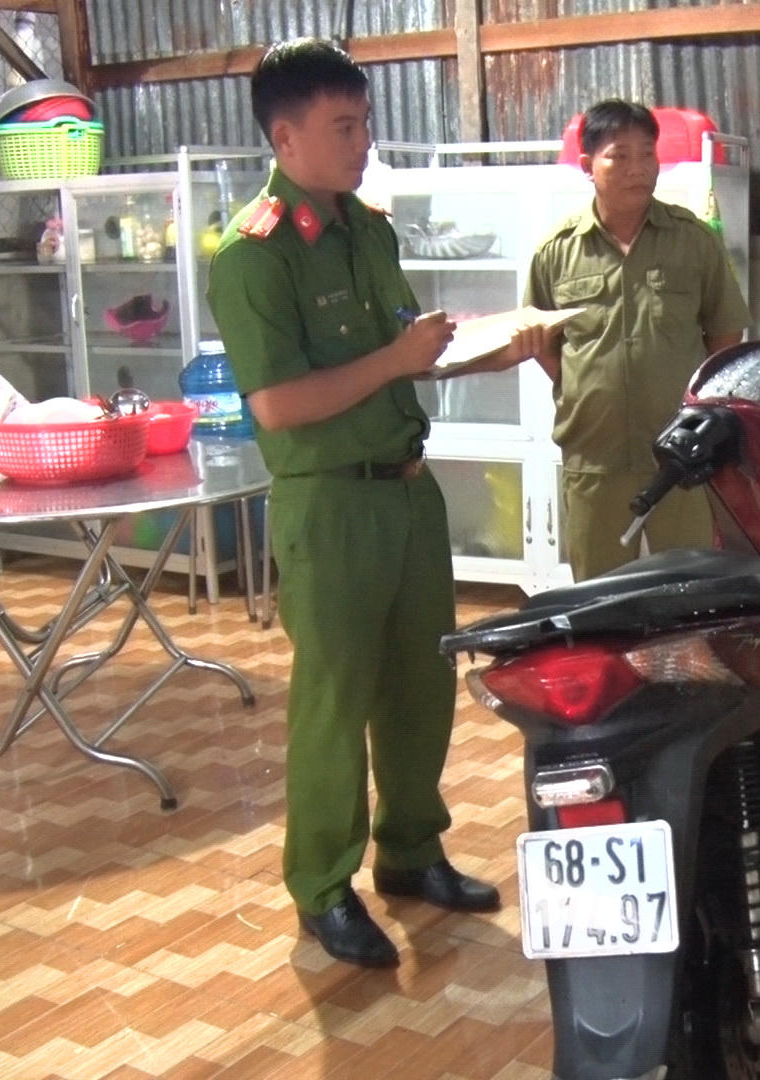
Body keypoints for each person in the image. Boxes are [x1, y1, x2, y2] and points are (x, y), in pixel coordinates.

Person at [206, 38, 549, 969]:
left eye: (365, 124)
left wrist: (500, 346)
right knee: (334, 701)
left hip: (406, 492)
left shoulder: (368, 230)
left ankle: (410, 850)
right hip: (330, 508)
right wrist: (398, 358)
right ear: (285, 137)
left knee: (417, 688)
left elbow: (407, 352)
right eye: (344, 127)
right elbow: (279, 405)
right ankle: (324, 886)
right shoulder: (253, 257)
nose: (364, 144)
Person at [526, 99, 751, 580]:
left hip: (681, 453)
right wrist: (583, 387)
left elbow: (726, 333)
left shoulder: (693, 240)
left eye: (647, 153)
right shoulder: (556, 251)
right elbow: (541, 340)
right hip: (595, 456)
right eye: (620, 155)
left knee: (689, 589)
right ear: (587, 165)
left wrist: (699, 413)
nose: (638, 168)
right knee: (599, 593)